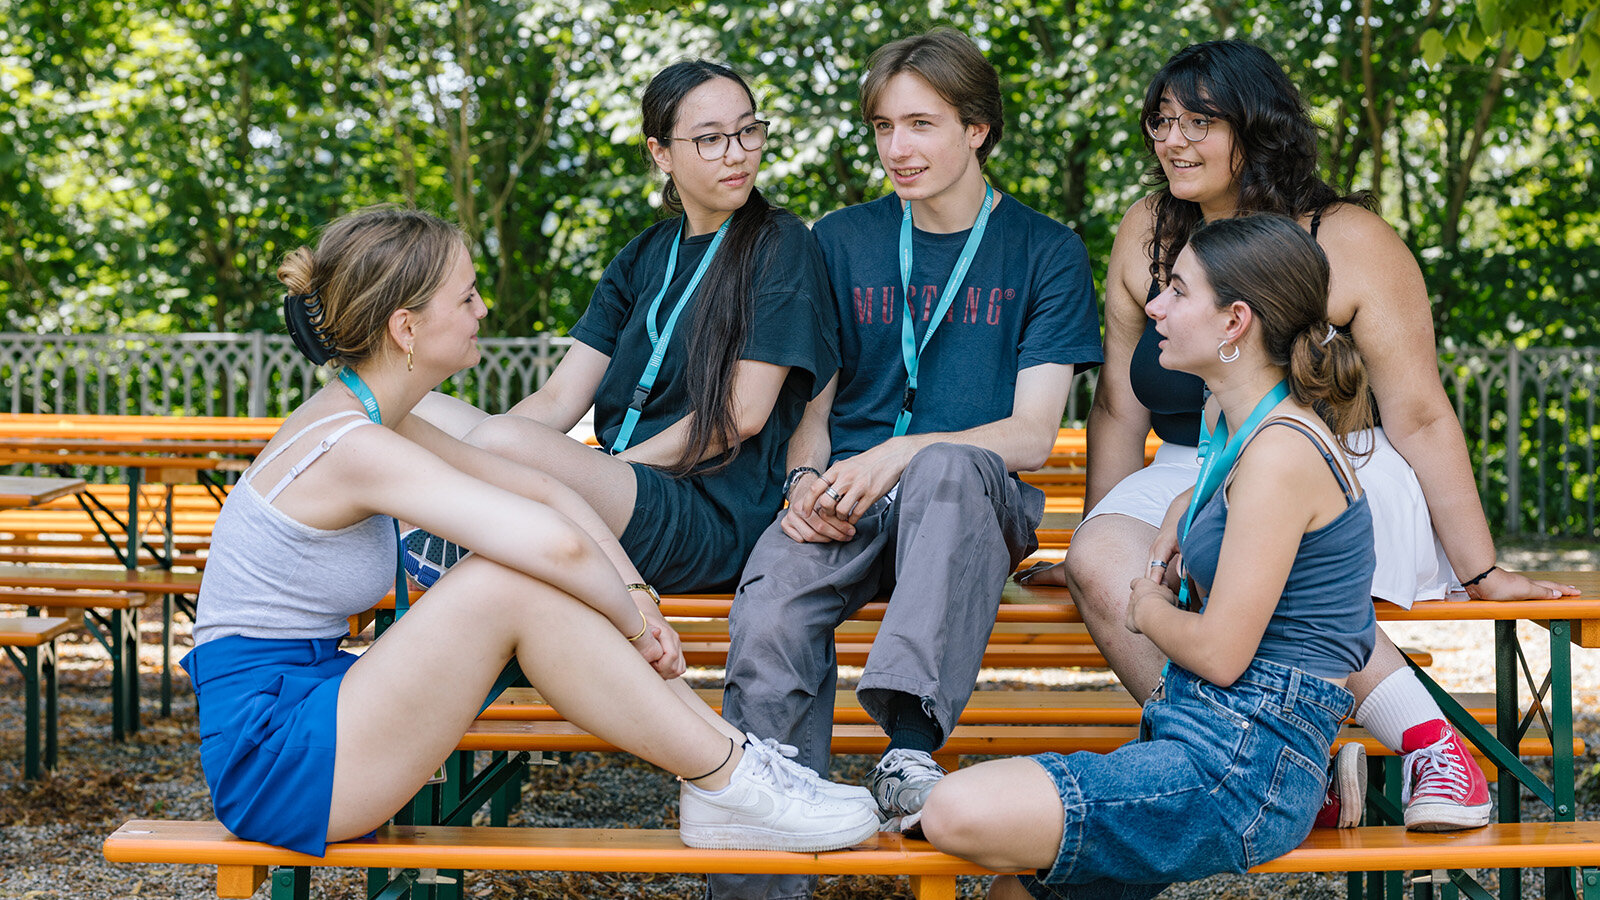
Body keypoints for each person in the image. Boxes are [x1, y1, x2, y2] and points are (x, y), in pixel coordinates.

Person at [180, 206, 879, 859]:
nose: (483, 308)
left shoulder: (377, 416)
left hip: (321, 708)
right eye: (466, 296)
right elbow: (554, 544)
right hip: (276, 759)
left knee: (521, 576)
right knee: (504, 581)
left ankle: (731, 768)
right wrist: (638, 624)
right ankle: (727, 778)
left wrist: (635, 590)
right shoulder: (351, 445)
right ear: (406, 328)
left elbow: (546, 488)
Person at [1019, 39, 1579, 831]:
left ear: (1259, 127)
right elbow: (1117, 402)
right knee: (1105, 565)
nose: (1171, 140)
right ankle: (1260, 759)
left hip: (1338, 463)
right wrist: (1102, 531)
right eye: (1161, 122)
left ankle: (1431, 749)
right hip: (1195, 461)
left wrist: (1480, 569)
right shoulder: (1147, 228)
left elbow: (1418, 412)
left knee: (1261, 547)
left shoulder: (1347, 238)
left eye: (1198, 122)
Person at [711, 27, 1102, 899]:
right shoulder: (841, 239)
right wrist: (804, 484)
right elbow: (812, 409)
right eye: (884, 127)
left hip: (971, 500)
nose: (898, 149)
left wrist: (898, 450)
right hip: (848, 493)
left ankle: (908, 754)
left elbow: (1034, 433)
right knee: (771, 614)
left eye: (921, 124)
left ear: (978, 130)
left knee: (946, 469)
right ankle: (759, 862)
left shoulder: (1046, 250)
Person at [922, 213, 1379, 899]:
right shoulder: (1239, 424)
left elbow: (1222, 654)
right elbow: (1221, 498)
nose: (1155, 306)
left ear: (1235, 323)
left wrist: (1145, 607)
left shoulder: (1283, 452)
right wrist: (1177, 515)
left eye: (1179, 292)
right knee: (1018, 889)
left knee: (954, 810)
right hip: (1198, 736)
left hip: (1244, 768)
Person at [401, 59, 838, 594]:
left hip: (707, 513)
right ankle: (438, 534)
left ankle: (444, 537)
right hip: (620, 486)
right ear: (661, 153)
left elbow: (740, 416)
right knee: (408, 409)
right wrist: (495, 462)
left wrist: (605, 469)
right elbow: (560, 397)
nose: (737, 153)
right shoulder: (643, 255)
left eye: (748, 130)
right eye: (710, 139)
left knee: (500, 441)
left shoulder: (780, 243)